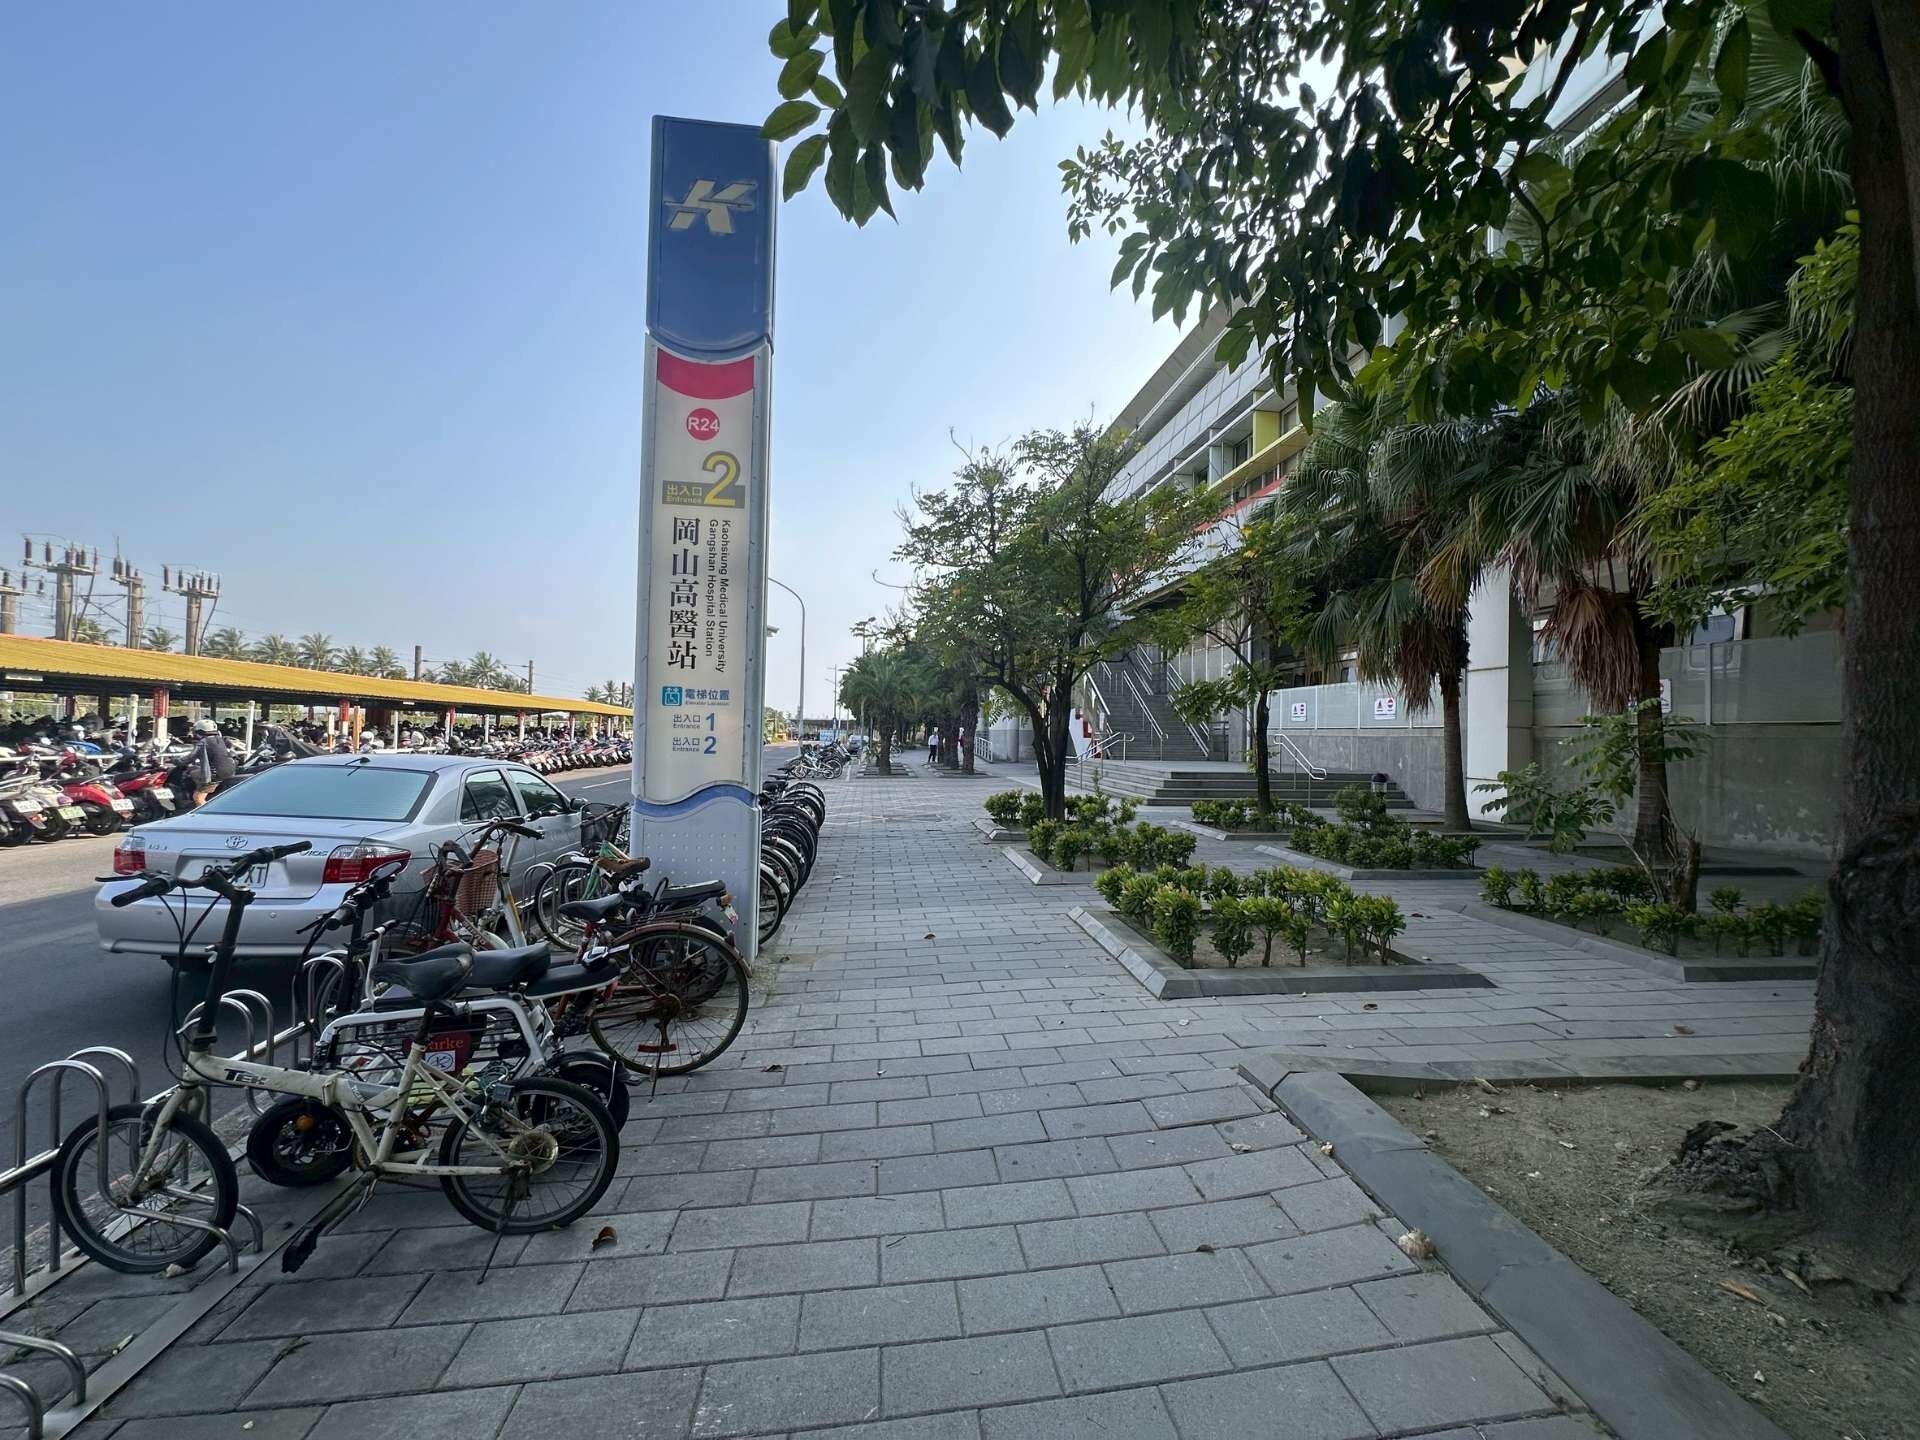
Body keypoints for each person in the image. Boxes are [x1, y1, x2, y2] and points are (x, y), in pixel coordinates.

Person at [186, 718, 235, 807]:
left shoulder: (203, 742)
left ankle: (204, 812)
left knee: (197, 797)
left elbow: (190, 757)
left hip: (215, 773)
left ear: (200, 730)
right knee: (194, 771)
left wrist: (175, 761)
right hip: (229, 770)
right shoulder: (221, 740)